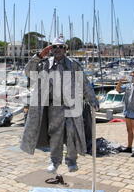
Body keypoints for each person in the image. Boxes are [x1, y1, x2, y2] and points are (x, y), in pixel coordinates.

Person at [20, 35, 99, 173]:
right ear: (50, 48)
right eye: (54, 47)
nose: (58, 49)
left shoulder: (74, 64)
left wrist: (92, 99)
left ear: (65, 49)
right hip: (53, 105)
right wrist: (38, 55)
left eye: (61, 47)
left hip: (71, 104)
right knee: (55, 134)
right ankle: (55, 161)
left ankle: (71, 160)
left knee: (71, 133)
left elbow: (84, 83)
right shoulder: (44, 64)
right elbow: (28, 72)